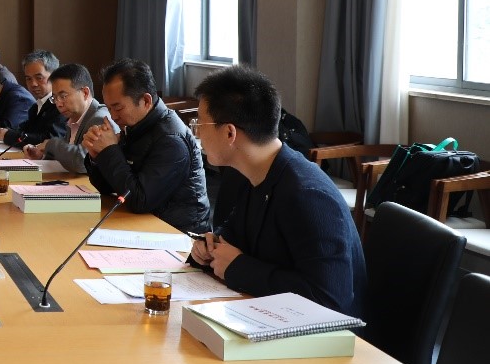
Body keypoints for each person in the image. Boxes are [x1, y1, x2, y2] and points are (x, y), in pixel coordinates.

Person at [188, 66, 367, 317]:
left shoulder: (307, 194)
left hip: (322, 335)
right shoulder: (255, 172)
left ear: (229, 132)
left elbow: (329, 299)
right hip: (270, 316)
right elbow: (235, 235)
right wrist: (208, 248)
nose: (197, 132)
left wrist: (238, 268)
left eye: (200, 123)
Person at [83, 58, 211, 233]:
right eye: (109, 109)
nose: (113, 116)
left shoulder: (171, 140)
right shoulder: (136, 126)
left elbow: (140, 200)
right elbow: (109, 187)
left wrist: (110, 151)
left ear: (146, 100)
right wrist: (97, 156)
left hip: (177, 233)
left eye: (118, 108)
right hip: (143, 225)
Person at [25, 63, 113, 174]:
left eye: (63, 96)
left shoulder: (100, 119)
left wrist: (50, 144)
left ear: (85, 93)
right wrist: (41, 155)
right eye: (54, 98)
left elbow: (81, 162)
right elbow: (69, 154)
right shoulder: (74, 118)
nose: (58, 104)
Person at [0, 50, 67, 147]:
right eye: (28, 79)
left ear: (54, 76)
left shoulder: (61, 105)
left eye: (39, 78)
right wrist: (4, 132)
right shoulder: (36, 106)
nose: (33, 84)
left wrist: (7, 135)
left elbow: (49, 140)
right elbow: (25, 131)